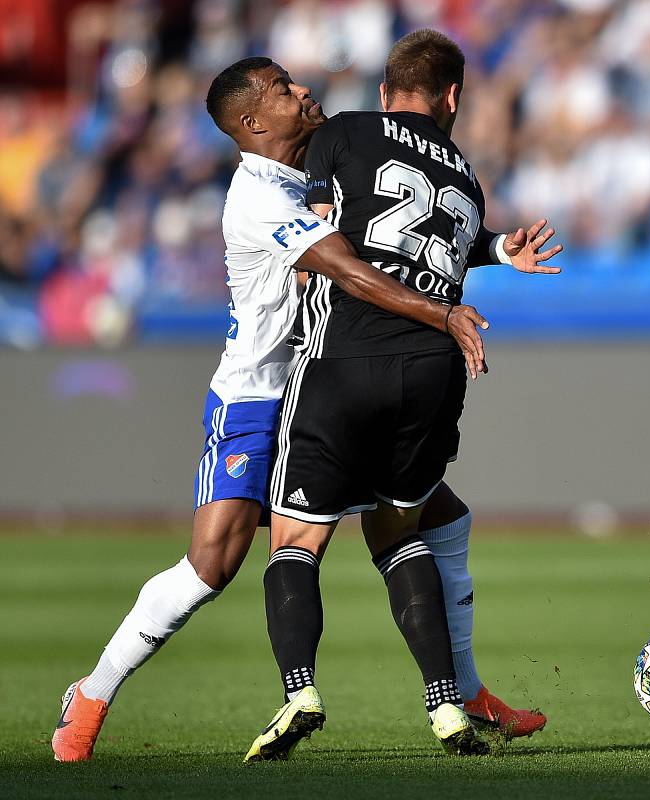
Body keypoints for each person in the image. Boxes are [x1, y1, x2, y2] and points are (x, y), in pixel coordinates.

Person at [51, 55, 490, 764]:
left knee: (435, 514)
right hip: (259, 394)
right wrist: (443, 316)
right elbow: (348, 267)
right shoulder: (257, 196)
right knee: (211, 564)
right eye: (284, 90)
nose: (303, 91)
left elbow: (399, 237)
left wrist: (494, 248)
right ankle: (94, 692)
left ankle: (466, 693)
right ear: (253, 123)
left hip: (326, 387)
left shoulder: (318, 164)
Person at [246, 29, 561, 762]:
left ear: (388, 89)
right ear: (451, 98)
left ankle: (299, 692)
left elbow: (330, 233)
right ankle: (446, 707)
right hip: (433, 370)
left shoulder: (345, 131)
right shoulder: (463, 173)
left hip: (345, 354)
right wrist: (494, 247)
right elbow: (420, 230)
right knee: (397, 532)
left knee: (296, 539)